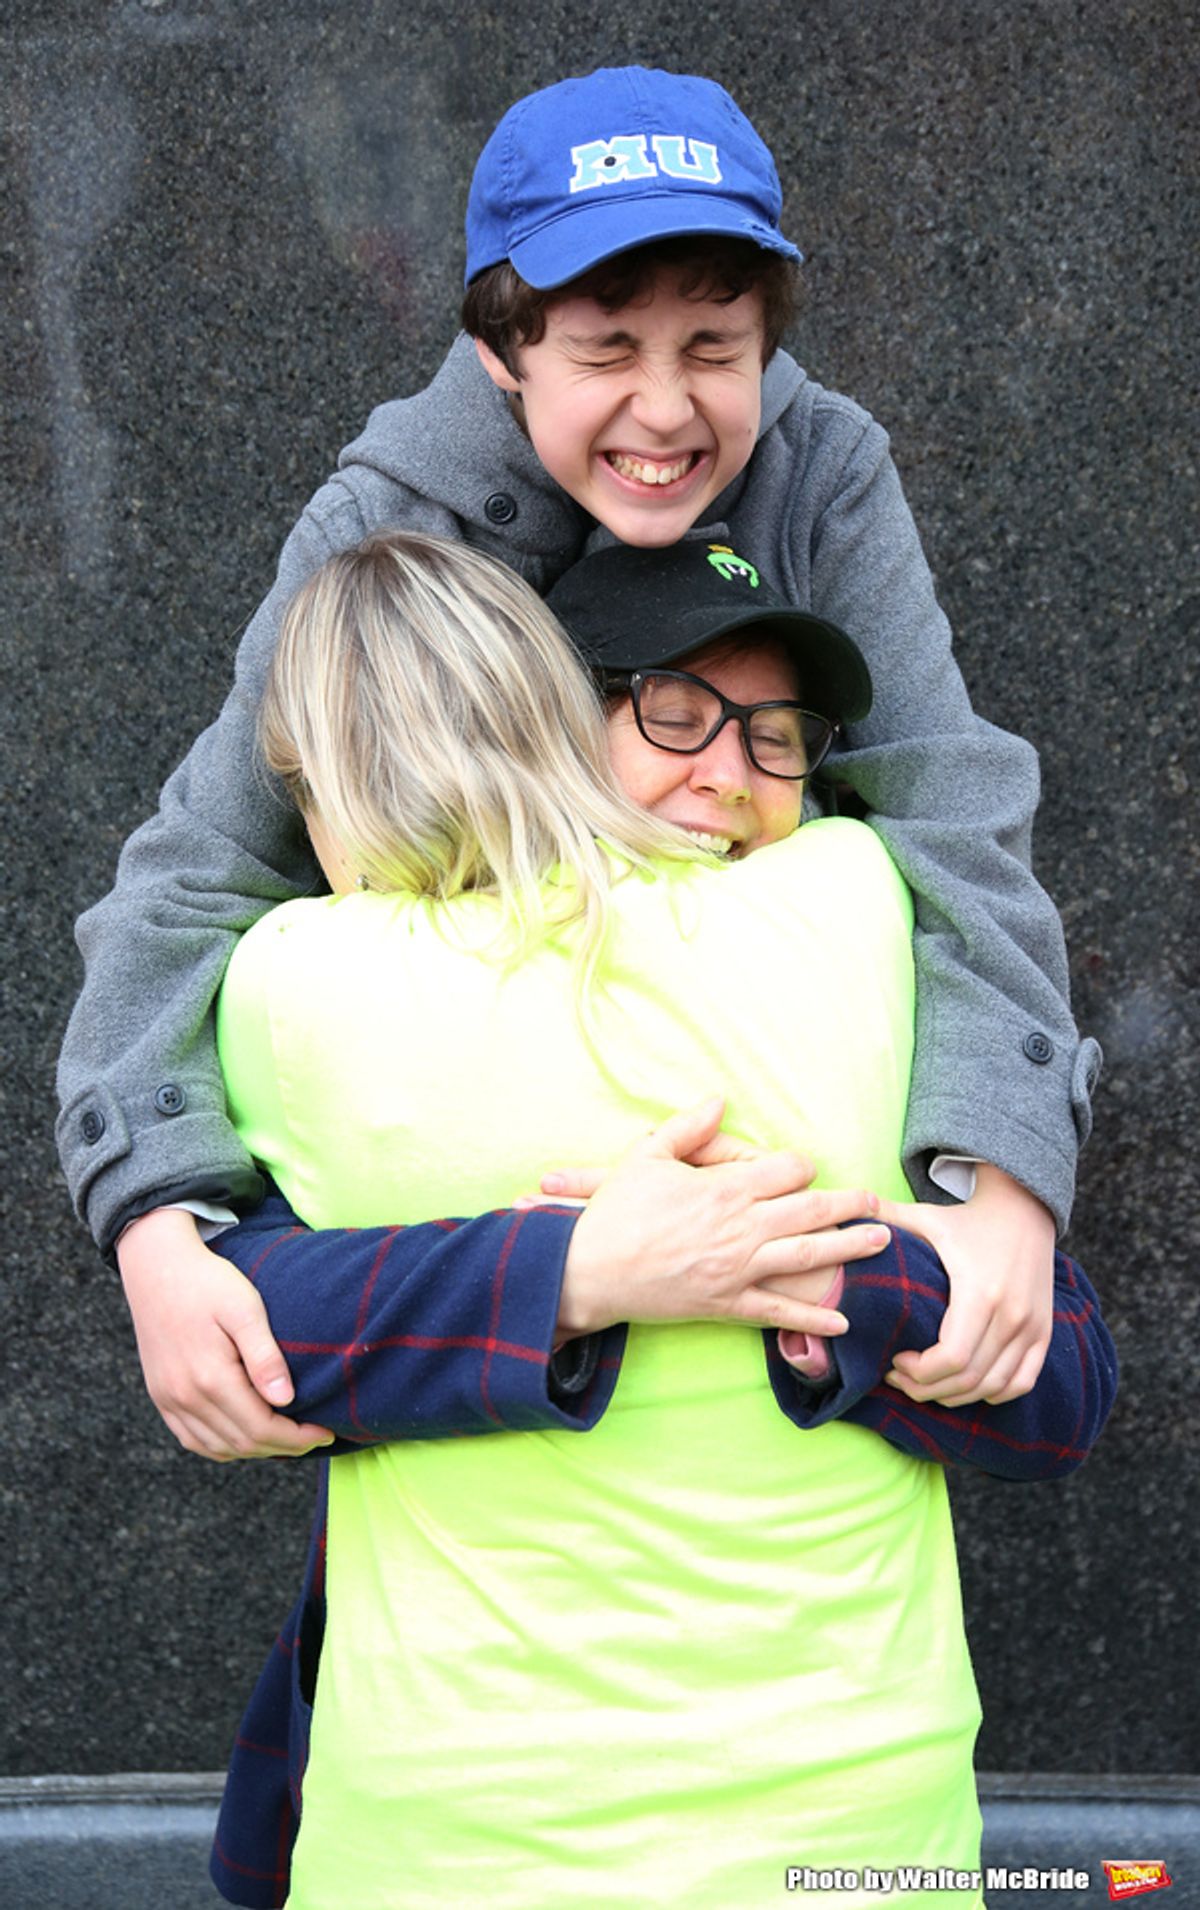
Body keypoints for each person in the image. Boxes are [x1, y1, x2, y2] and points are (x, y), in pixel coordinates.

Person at [58, 65, 1100, 1465]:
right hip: (470, 1126)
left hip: (763, 1089)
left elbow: (947, 798)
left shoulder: (823, 471)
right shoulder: (385, 519)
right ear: (505, 349)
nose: (665, 411)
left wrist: (1004, 1188)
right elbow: (200, 866)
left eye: (715, 348)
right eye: (608, 351)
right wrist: (154, 1226)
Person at [205, 531, 1116, 1908]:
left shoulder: (289, 984)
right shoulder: (866, 911)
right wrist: (589, 1265)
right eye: (676, 711)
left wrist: (813, 1268)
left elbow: (251, 1332)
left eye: (780, 736)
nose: (731, 775)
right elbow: (253, 1335)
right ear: (545, 721)